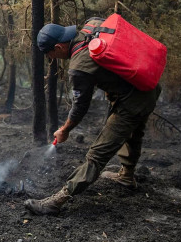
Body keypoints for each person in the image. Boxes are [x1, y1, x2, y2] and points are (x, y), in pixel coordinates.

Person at [24, 20, 161, 215]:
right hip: (149, 87)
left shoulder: (79, 66)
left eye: (50, 54)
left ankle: (57, 200)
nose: (50, 58)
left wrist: (65, 130)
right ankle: (127, 176)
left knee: (97, 153)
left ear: (58, 47)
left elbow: (80, 107)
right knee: (133, 133)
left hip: (133, 101)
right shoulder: (93, 25)